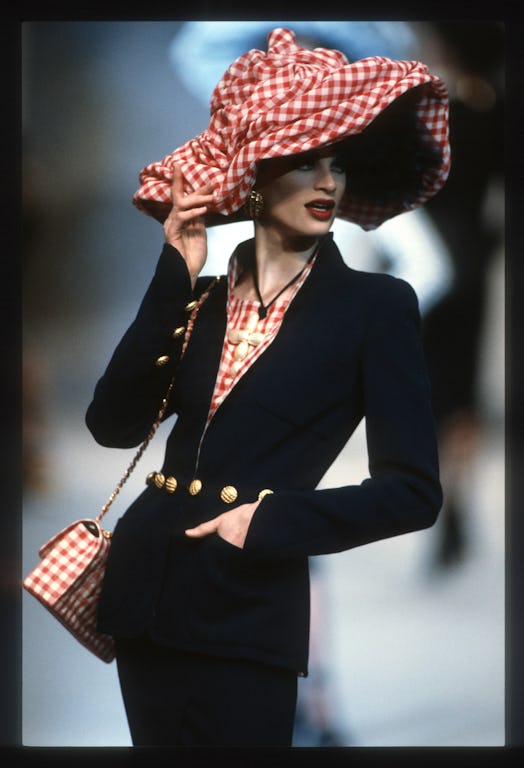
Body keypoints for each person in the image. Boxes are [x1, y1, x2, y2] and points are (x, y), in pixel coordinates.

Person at [85, 27, 450, 747]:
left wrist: (271, 522)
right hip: (146, 594)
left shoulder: (376, 307)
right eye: (305, 160)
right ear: (256, 171)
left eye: (338, 165)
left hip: (249, 604)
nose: (327, 182)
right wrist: (175, 274)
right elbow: (113, 424)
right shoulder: (203, 297)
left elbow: (414, 491)